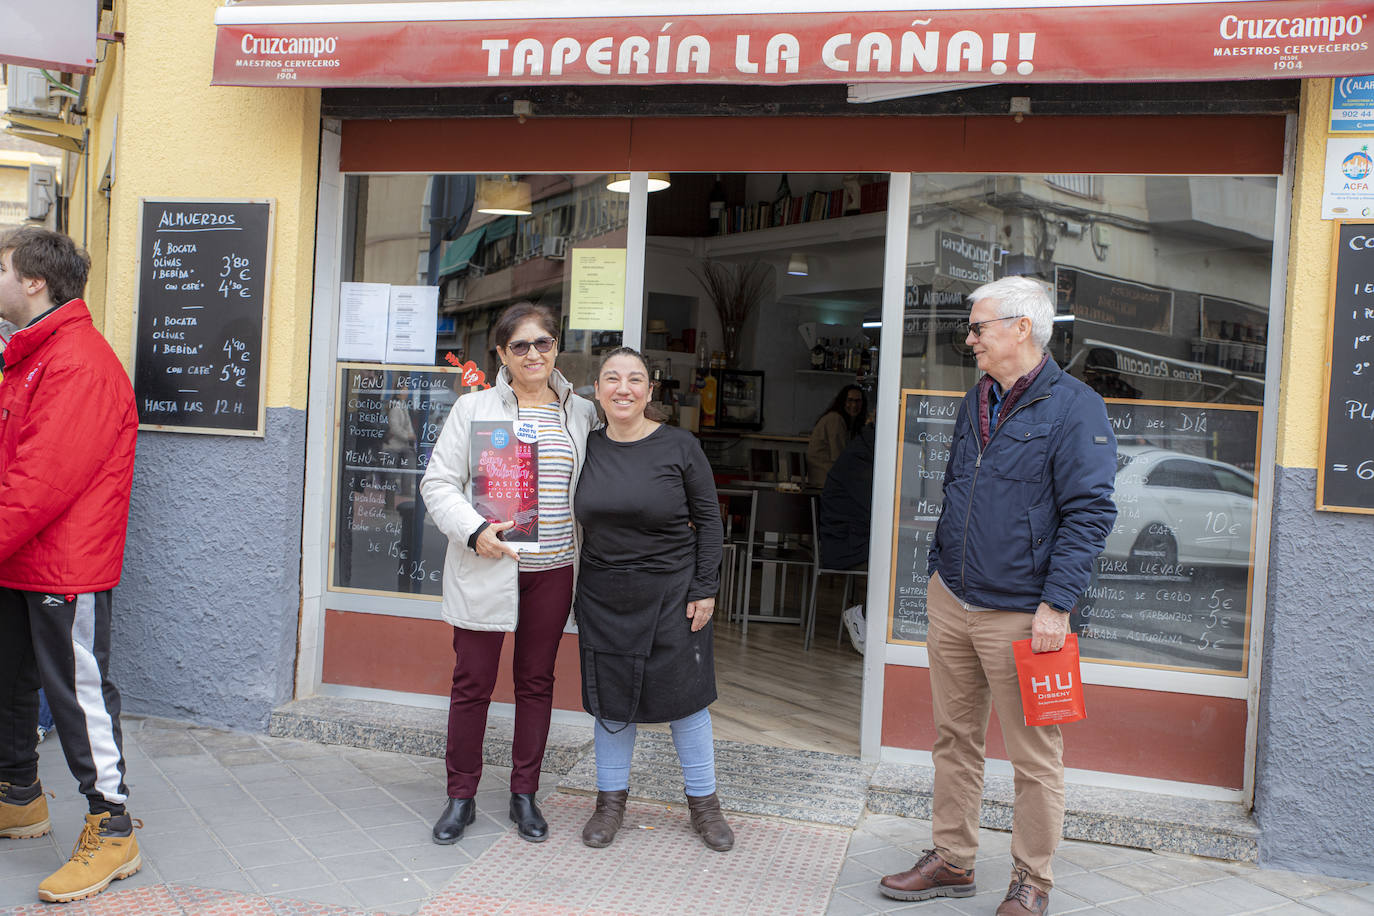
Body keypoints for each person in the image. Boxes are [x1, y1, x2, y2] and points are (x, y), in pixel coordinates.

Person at [879, 276, 1117, 916]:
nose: (970, 337)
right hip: (953, 599)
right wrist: (937, 570)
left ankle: (1031, 880)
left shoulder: (1075, 407)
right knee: (955, 738)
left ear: (1022, 328)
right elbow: (959, 480)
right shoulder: (977, 397)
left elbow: (1090, 513)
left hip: (1024, 613)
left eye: (979, 326)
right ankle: (952, 859)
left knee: (1036, 758)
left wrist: (1056, 605)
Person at [420, 302, 598, 845]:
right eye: (519, 345)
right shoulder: (473, 409)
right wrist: (475, 530)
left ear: (556, 348)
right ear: (501, 354)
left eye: (542, 343)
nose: (532, 354)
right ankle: (461, 796)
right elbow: (437, 484)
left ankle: (525, 794)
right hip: (488, 564)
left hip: (552, 570)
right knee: (471, 683)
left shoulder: (581, 413)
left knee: (536, 683)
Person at [0, 227, 142, 903]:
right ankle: (19, 794)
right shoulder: (34, 355)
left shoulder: (75, 363)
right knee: (13, 681)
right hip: (22, 560)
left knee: (77, 695)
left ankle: (113, 831)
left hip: (63, 568)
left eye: (0, 268)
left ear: (34, 281)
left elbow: (38, 483)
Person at [572, 347, 732, 852]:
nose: (623, 388)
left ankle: (705, 806)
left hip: (673, 592)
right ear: (595, 391)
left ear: (649, 390)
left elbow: (709, 521)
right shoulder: (585, 447)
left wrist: (705, 587)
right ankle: (610, 804)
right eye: (612, 379)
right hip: (603, 593)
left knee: (686, 701)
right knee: (611, 701)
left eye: (635, 379)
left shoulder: (679, 445)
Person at [818, 423, 875, 653]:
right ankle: (861, 616)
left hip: (850, 537)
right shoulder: (861, 459)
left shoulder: (864, 450)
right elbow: (873, 508)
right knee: (893, 562)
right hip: (844, 543)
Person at [807, 384, 867, 486]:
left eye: (857, 401)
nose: (854, 405)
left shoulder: (841, 420)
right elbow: (839, 457)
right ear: (843, 402)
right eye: (850, 400)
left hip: (825, 476)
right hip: (826, 478)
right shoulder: (835, 419)